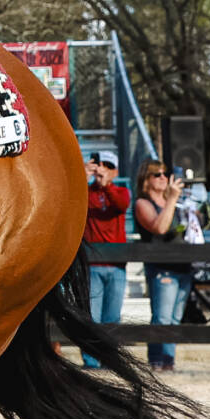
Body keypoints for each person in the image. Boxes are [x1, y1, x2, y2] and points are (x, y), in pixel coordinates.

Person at [131, 162, 187, 371]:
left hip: (183, 266)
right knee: (162, 318)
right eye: (157, 175)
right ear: (146, 180)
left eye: (166, 174)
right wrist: (172, 198)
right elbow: (160, 227)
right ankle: (157, 362)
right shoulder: (143, 203)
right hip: (161, 267)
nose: (164, 177)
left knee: (174, 319)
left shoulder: (175, 202)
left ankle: (168, 362)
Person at [80, 151, 131, 369]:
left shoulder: (121, 191)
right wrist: (82, 176)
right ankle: (92, 362)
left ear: (115, 171)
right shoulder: (85, 192)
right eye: (98, 164)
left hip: (116, 265)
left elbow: (120, 206)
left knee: (112, 317)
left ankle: (110, 360)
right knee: (91, 318)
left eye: (107, 165)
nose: (101, 168)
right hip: (92, 265)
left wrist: (106, 185)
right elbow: (71, 199)